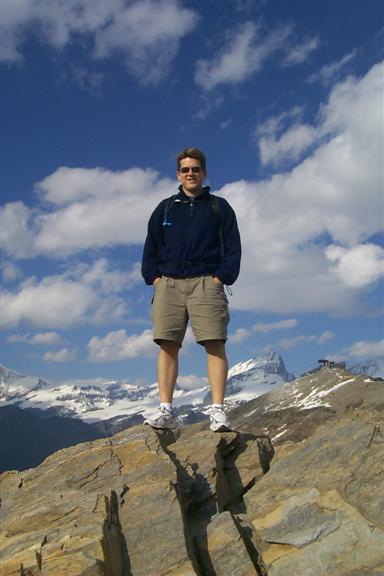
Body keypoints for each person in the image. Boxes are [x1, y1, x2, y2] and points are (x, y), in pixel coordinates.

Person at [141, 147, 241, 431]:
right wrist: (154, 278)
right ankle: (165, 410)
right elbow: (150, 246)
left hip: (206, 283)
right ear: (178, 174)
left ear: (204, 172)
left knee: (214, 343)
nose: (190, 173)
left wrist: (221, 278)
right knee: (167, 345)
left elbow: (233, 247)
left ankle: (218, 411)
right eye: (185, 169)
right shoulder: (165, 208)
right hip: (168, 284)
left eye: (195, 169)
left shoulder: (219, 207)